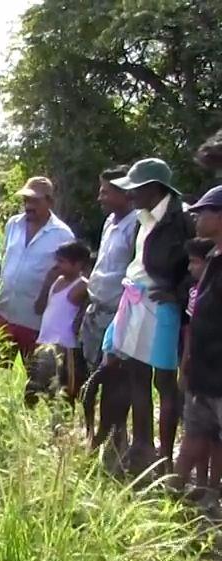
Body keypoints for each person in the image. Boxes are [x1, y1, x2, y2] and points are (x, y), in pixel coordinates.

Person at [103, 158, 195, 470]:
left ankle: (166, 458)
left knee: (165, 381)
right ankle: (142, 446)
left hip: (163, 305)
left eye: (135, 188)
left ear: (154, 188)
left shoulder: (183, 219)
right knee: (136, 374)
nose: (130, 194)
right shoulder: (142, 217)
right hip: (135, 300)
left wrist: (178, 294)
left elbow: (200, 263)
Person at [0, 176, 74, 369]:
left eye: (35, 201)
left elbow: (66, 276)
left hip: (35, 319)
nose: (29, 206)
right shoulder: (14, 224)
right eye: (26, 200)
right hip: (5, 310)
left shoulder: (63, 234)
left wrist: (45, 297)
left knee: (36, 374)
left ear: (49, 202)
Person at [82, 166, 138, 451]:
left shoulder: (136, 224)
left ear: (125, 192)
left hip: (119, 313)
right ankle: (97, 437)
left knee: (115, 379)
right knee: (94, 376)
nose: (100, 197)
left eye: (106, 192)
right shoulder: (109, 222)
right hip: (97, 309)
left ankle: (114, 440)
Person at [173, 186, 222, 494]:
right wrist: (189, 359)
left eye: (203, 212)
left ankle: (213, 498)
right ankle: (173, 492)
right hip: (203, 371)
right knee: (194, 433)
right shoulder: (213, 258)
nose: (197, 218)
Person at [26, 240, 91, 405]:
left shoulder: (82, 286)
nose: (57, 266)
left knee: (61, 394)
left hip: (65, 347)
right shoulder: (57, 281)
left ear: (78, 264)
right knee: (34, 389)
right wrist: (47, 283)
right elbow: (39, 308)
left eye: (62, 262)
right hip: (44, 342)